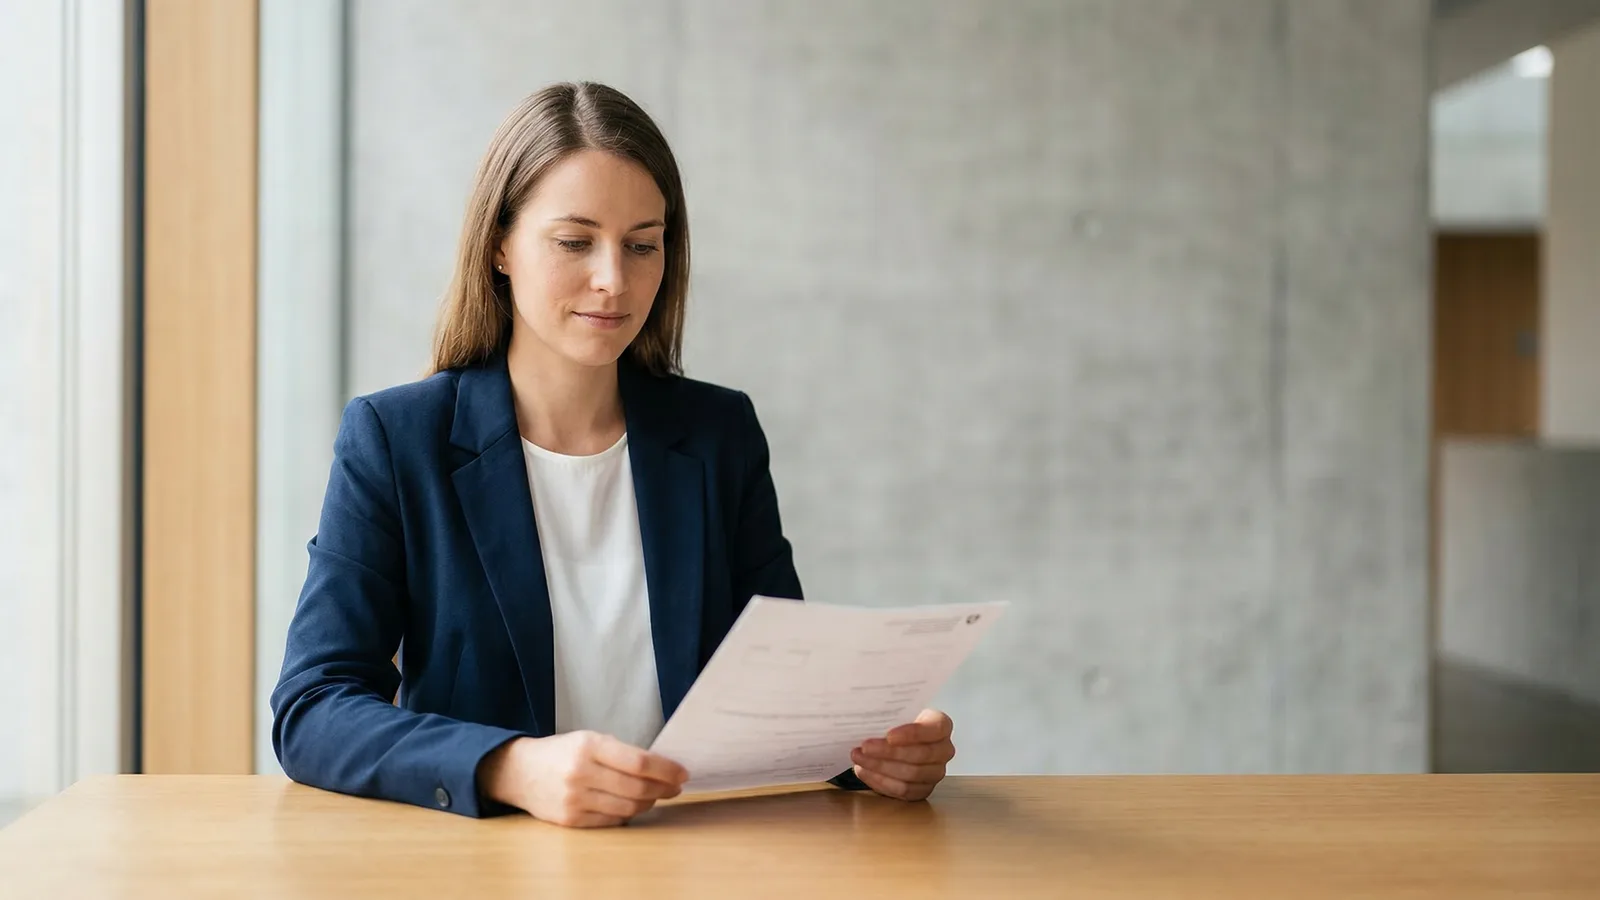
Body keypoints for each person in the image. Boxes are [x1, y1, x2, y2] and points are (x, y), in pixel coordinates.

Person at [270, 82, 957, 827]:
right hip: (488, 868)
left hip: (694, 858)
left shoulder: (719, 434)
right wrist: (510, 765)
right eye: (575, 242)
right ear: (500, 245)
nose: (614, 279)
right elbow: (312, 709)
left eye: (642, 244)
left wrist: (874, 754)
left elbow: (781, 699)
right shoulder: (398, 439)